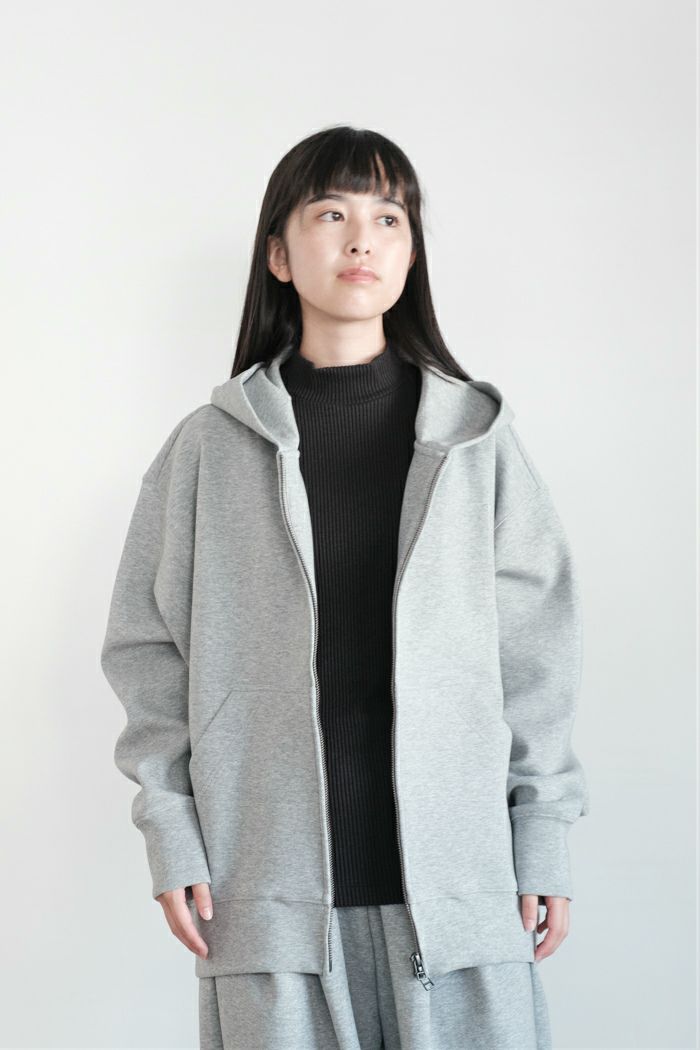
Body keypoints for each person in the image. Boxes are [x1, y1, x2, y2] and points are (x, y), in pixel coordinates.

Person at [100, 124, 590, 1050]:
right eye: (331, 213)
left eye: (388, 217)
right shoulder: (207, 449)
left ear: (411, 253)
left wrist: (542, 837)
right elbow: (147, 651)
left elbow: (537, 659)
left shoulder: (476, 445)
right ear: (279, 255)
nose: (362, 238)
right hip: (267, 900)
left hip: (463, 896)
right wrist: (171, 829)